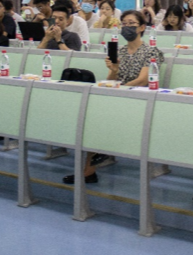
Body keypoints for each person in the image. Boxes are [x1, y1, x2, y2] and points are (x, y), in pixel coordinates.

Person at [63, 10, 164, 185]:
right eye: (124, 24)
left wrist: (120, 89)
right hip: (119, 98)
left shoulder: (151, 52)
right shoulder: (121, 52)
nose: (127, 27)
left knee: (101, 118)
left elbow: (142, 80)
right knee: (91, 117)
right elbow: (111, 79)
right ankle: (90, 169)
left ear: (141, 27)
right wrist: (114, 70)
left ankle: (96, 159)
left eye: (131, 23)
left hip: (140, 101)